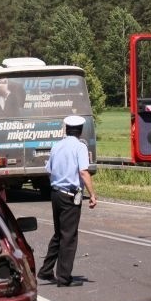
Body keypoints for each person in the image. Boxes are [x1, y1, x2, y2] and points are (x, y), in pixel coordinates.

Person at [36, 115, 97, 287]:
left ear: (67, 129)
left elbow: (49, 170)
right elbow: (84, 172)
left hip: (56, 193)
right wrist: (92, 194)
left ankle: (46, 270)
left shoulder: (57, 145)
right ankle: (64, 278)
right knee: (69, 236)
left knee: (59, 233)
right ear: (80, 131)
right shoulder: (80, 147)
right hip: (70, 195)